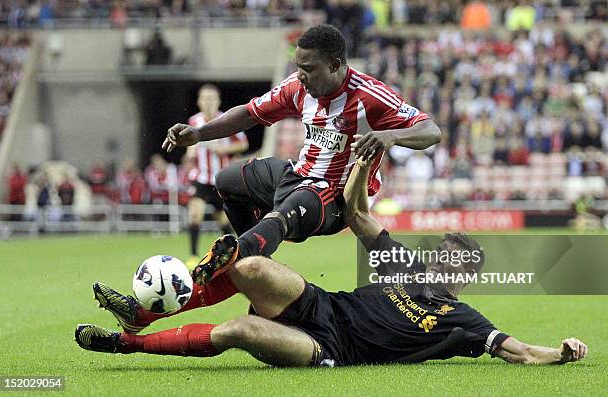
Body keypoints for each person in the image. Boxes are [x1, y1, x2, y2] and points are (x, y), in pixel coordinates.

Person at [75, 156, 587, 367]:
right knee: (243, 266)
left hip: (327, 346)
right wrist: (362, 167)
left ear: (464, 277)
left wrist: (560, 353)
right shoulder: (404, 269)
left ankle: (130, 342)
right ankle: (142, 311)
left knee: (237, 330)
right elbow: (360, 215)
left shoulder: (462, 321)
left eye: (451, 263)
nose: (439, 264)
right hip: (318, 303)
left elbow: (514, 349)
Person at [162, 24, 441, 284]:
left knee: (286, 211)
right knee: (227, 180)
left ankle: (233, 264)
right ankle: (259, 264)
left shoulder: (370, 96)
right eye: (298, 67)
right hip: (300, 174)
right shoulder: (298, 88)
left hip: (336, 198)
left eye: (308, 68)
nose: (301, 75)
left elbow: (430, 130)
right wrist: (200, 134)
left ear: (334, 65)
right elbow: (250, 113)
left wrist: (391, 135)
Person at [185, 84, 248, 265]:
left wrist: (223, 149)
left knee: (223, 220)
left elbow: (242, 144)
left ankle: (232, 254)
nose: (208, 103)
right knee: (195, 214)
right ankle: (193, 256)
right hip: (200, 178)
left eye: (212, 99)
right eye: (205, 99)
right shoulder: (194, 122)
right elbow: (191, 145)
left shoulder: (226, 120)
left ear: (218, 101)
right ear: (199, 101)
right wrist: (190, 153)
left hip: (220, 179)